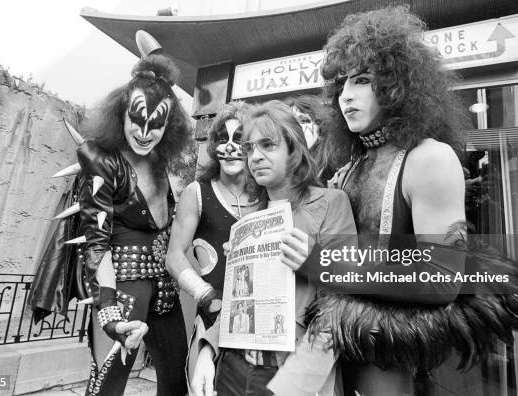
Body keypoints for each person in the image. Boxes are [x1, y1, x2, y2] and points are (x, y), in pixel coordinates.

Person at [273, 7, 518, 395]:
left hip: (389, 355)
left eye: (361, 80)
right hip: (328, 345)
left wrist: (323, 266)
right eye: (341, 84)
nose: (346, 96)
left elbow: (443, 279)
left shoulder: (430, 157)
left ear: (398, 85)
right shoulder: (348, 167)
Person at [190, 100, 358, 396]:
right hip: (233, 367)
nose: (255, 156)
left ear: (293, 149)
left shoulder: (332, 203)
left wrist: (297, 381)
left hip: (291, 372)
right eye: (250, 148)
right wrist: (208, 349)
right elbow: (239, 302)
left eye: (268, 145)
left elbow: (342, 304)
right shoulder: (249, 219)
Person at [60, 32, 190, 396]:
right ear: (122, 114)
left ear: (169, 126)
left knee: (177, 378)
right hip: (122, 283)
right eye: (138, 119)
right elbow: (95, 242)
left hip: (164, 284)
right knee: (107, 383)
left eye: (157, 123)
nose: (145, 132)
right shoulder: (105, 163)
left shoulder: (162, 162)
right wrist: (108, 307)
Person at [165, 101, 258, 385]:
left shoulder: (269, 196)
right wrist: (207, 296)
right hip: (210, 321)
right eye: (223, 139)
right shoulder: (197, 193)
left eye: (239, 139)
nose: (230, 147)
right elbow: (174, 256)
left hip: (260, 330)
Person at [284, 95, 336, 184]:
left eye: (304, 121)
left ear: (320, 127)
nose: (298, 128)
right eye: (292, 123)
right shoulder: (280, 169)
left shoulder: (336, 166)